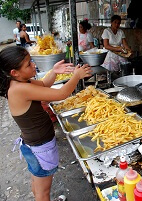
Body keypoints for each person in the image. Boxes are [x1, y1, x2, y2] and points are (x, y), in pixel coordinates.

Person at [0, 46, 92, 201]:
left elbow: (44, 84)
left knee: (37, 182)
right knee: (44, 192)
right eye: (29, 64)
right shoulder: (19, 89)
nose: (34, 65)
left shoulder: (19, 82)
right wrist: (76, 76)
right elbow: (61, 94)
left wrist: (54, 72)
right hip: (40, 148)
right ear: (14, 72)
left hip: (33, 145)